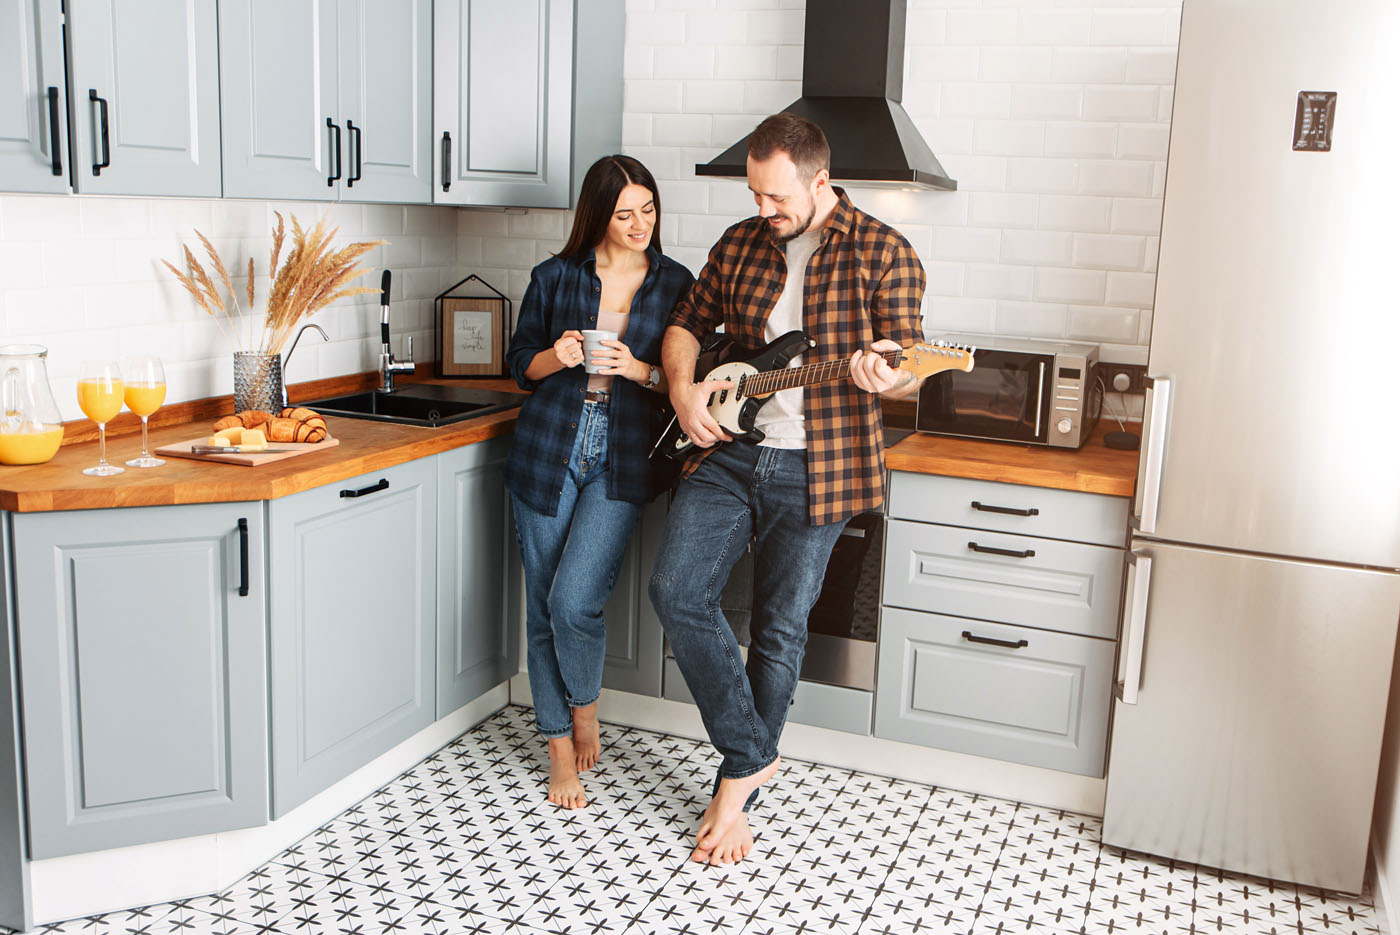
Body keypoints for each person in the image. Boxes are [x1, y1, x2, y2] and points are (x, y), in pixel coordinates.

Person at [648, 113, 928, 864]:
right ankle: (751, 754)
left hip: (822, 466)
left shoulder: (884, 252)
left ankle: (732, 793)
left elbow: (901, 361)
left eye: (775, 198)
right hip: (732, 450)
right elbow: (685, 322)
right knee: (675, 589)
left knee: (778, 628)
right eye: (754, 194)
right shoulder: (742, 243)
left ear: (819, 181)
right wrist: (682, 392)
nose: (763, 211)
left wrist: (886, 371)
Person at [505, 155, 693, 809]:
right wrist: (552, 358)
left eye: (649, 209)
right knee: (540, 605)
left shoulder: (677, 283)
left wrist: (640, 369)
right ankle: (560, 746)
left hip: (623, 453)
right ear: (598, 215)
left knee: (573, 601)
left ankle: (584, 706)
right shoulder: (555, 276)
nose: (640, 223)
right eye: (624, 213)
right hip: (548, 445)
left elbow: (685, 385)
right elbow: (517, 364)